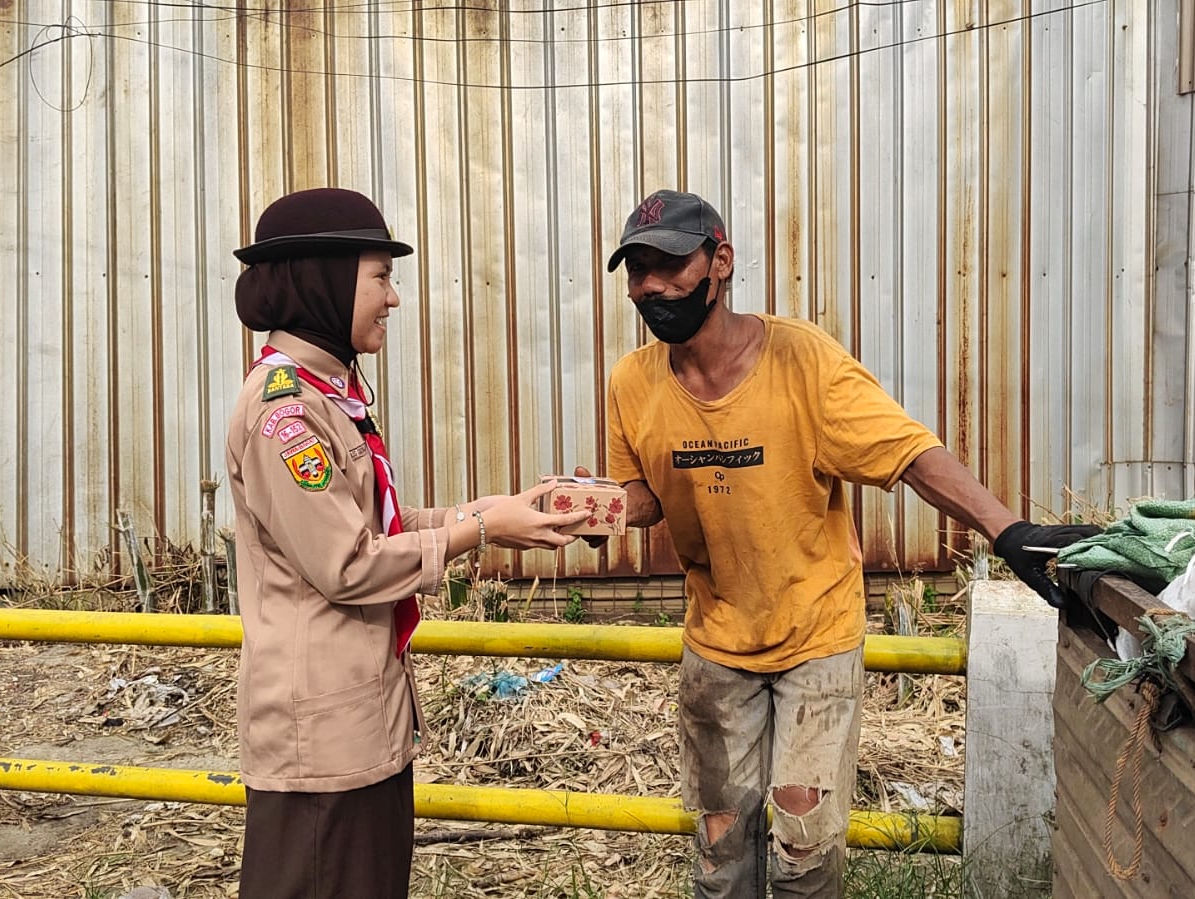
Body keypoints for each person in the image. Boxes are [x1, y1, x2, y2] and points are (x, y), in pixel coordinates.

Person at [586, 189, 1095, 897]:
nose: (650, 286)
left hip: (815, 634)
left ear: (720, 261)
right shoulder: (632, 382)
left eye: (668, 264)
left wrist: (1005, 529)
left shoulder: (801, 362)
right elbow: (641, 495)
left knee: (801, 843)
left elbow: (908, 451)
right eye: (636, 269)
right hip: (717, 637)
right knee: (719, 844)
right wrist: (596, 509)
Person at [225, 187, 588, 899]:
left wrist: (486, 509)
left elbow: (371, 525)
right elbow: (349, 564)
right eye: (380, 277)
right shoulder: (285, 415)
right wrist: (479, 532)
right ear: (322, 281)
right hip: (321, 739)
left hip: (359, 724)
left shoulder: (327, 395)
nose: (392, 299)